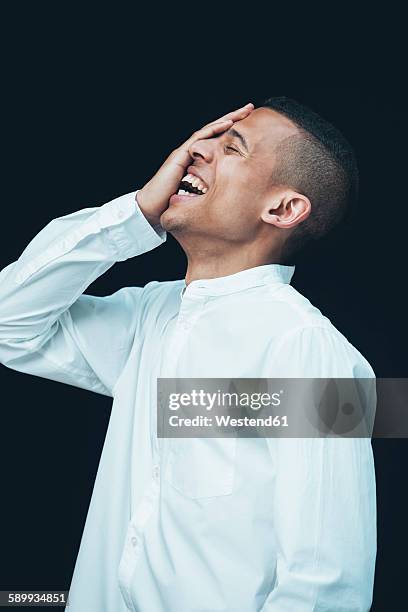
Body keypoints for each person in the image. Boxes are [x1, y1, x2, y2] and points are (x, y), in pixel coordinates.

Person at [0, 98, 377, 611]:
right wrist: (133, 215)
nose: (195, 151)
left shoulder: (309, 348)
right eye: (206, 140)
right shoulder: (149, 317)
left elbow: (324, 581)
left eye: (231, 149)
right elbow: (8, 323)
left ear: (284, 209)